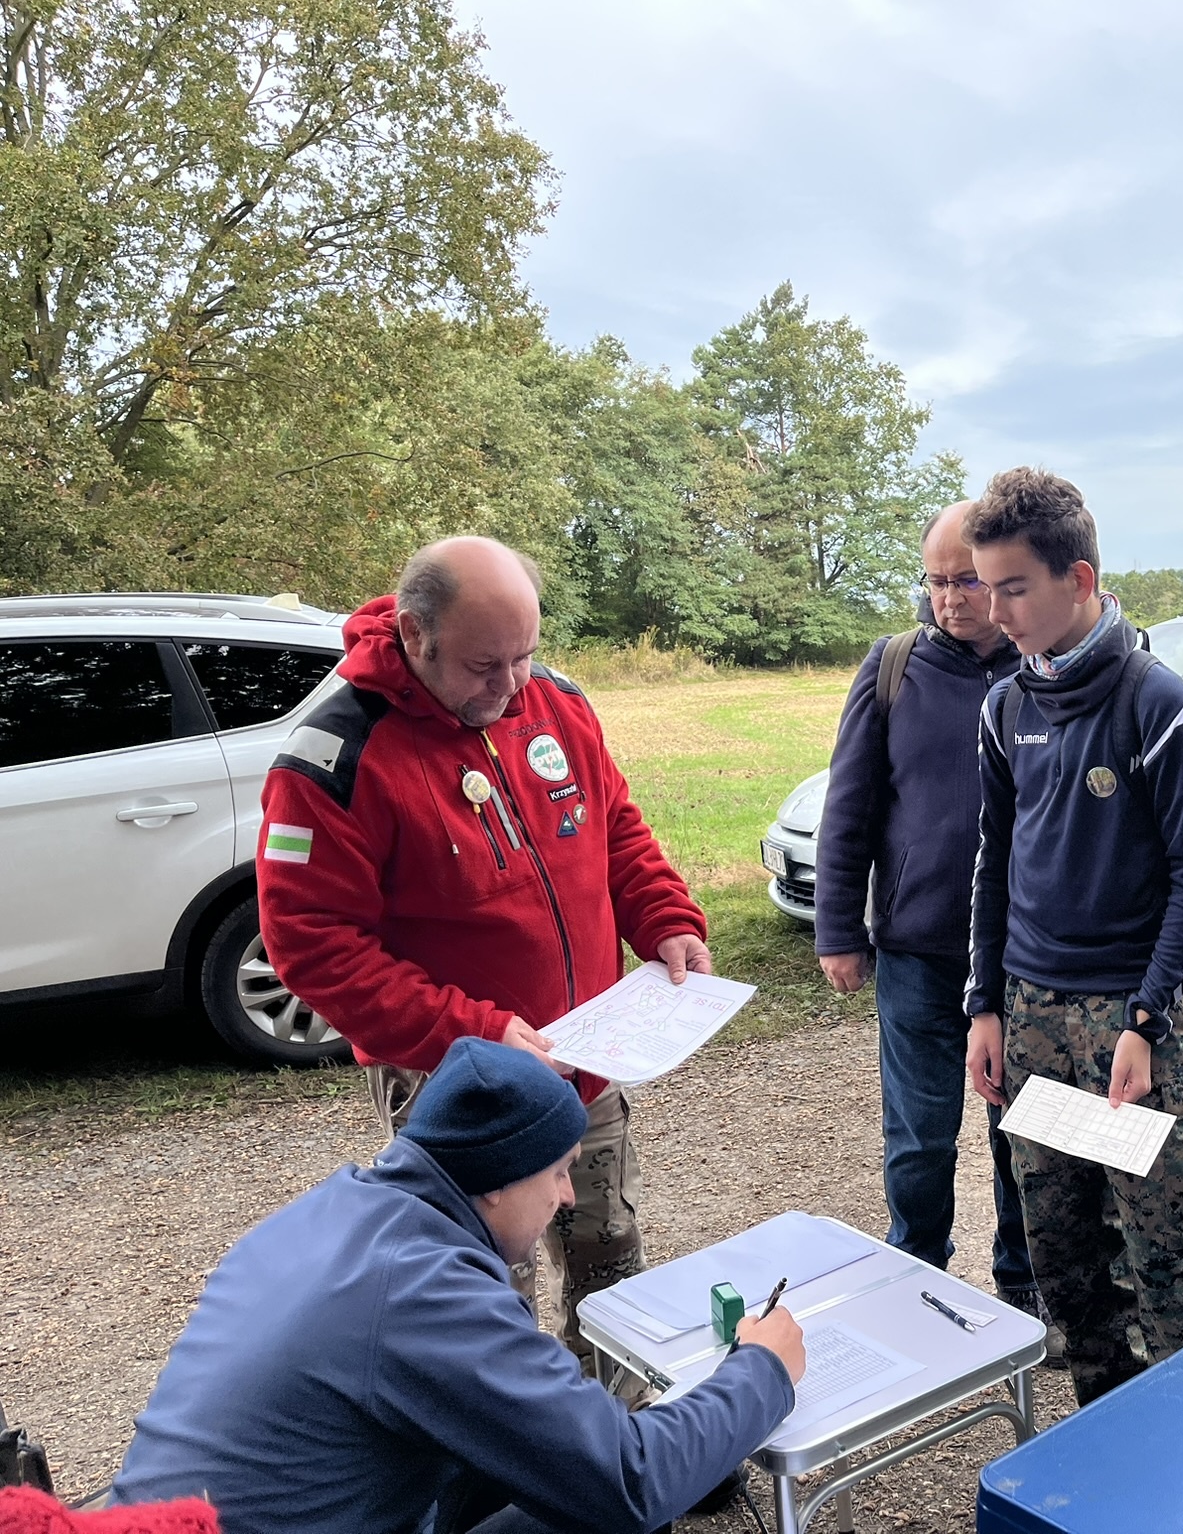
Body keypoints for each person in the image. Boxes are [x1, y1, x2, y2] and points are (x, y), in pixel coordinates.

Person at [256, 537, 713, 1367]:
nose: (509, 688)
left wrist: (665, 918)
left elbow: (612, 828)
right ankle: (510, 1441)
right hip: (459, 1084)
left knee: (611, 1263)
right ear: (414, 634)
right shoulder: (338, 757)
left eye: (524, 656)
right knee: (485, 1299)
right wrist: (474, 1032)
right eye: (483, 666)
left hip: (586, 1061)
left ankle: (615, 1424)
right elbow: (313, 948)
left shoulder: (555, 703)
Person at [110, 1038, 805, 1534]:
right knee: (613, 1516)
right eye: (558, 1172)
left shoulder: (342, 1213)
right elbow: (630, 1484)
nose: (568, 1195)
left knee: (558, 1468)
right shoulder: (421, 1291)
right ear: (498, 1181)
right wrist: (762, 1368)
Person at [961, 466, 1183, 1406]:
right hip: (1030, 1017)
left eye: (1014, 588)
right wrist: (984, 1006)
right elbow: (993, 863)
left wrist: (1147, 1021)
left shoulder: (1156, 702)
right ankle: (1108, 1434)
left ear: (1079, 580)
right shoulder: (1006, 706)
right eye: (985, 588)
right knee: (1067, 1260)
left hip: (1128, 1020)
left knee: (1167, 1257)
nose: (995, 612)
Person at [811, 502, 1051, 1347]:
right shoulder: (893, 669)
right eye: (936, 581)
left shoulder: (1040, 670)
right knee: (919, 1134)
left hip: (1023, 955)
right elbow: (849, 808)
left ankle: (1024, 1283)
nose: (950, 600)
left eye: (967, 582)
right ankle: (916, 1275)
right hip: (918, 951)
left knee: (1022, 1131)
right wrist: (839, 930)